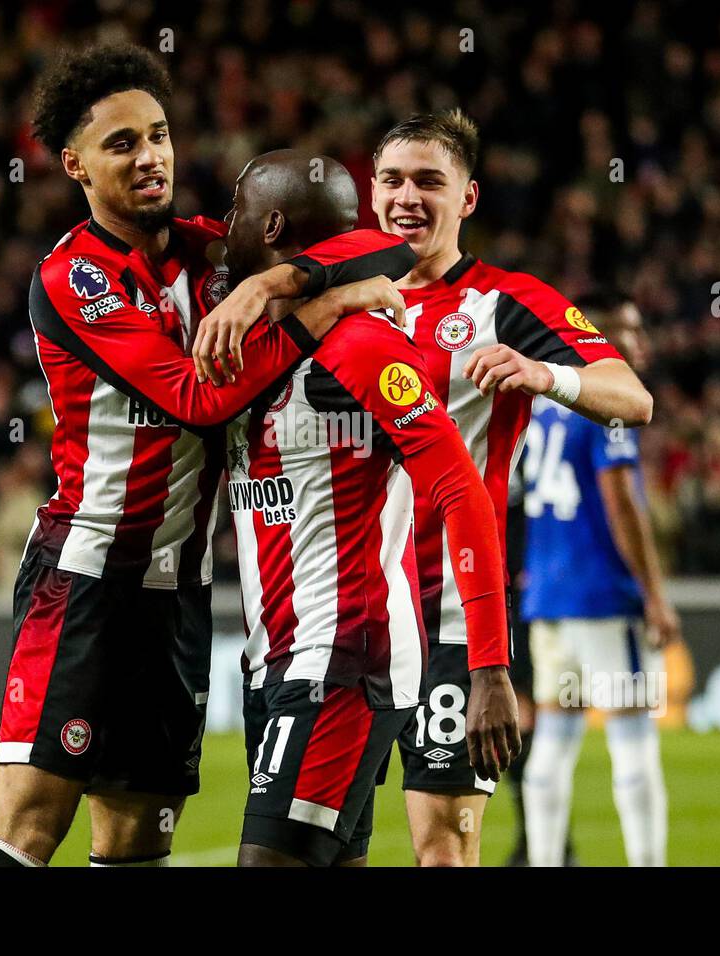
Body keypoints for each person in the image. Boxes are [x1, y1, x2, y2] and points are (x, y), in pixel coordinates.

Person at [0, 44, 414, 869]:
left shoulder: (214, 254)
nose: (151, 158)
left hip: (180, 598)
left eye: (160, 135)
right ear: (74, 165)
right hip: (89, 580)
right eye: (123, 143)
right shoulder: (76, 280)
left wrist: (271, 285)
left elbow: (373, 244)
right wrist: (326, 306)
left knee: (139, 838)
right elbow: (197, 396)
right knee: (28, 829)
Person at [222, 149, 520, 867]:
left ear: (270, 226)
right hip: (276, 658)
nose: (220, 224)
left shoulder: (361, 345)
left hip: (344, 654)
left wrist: (489, 667)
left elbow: (460, 488)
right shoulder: (252, 327)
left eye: (234, 211)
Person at [369, 110, 653, 865]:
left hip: (454, 622)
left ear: (467, 198)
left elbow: (632, 395)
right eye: (393, 179)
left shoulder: (508, 301)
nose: (408, 197)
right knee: (324, 844)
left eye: (431, 181)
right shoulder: (344, 303)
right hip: (349, 614)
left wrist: (543, 374)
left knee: (444, 851)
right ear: (370, 194)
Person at [520, 290, 681, 867]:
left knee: (554, 747)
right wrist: (655, 595)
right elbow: (621, 503)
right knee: (633, 741)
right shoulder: (609, 406)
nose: (640, 343)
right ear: (600, 337)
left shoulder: (542, 404)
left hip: (548, 597)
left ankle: (542, 860)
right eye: (629, 331)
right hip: (602, 596)